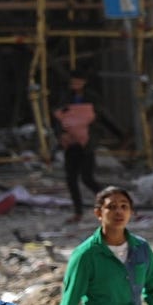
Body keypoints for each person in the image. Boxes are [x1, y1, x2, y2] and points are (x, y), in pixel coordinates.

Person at [54, 68, 104, 222]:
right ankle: (78, 212)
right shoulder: (66, 98)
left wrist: (86, 132)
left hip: (87, 143)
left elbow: (96, 119)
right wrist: (62, 134)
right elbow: (59, 117)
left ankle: (111, 203)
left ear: (84, 82)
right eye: (72, 81)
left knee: (87, 178)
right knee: (71, 178)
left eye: (77, 81)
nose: (74, 84)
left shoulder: (92, 98)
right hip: (71, 143)